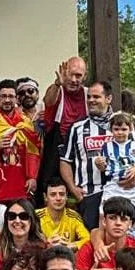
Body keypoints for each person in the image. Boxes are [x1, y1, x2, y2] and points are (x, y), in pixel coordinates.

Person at [59, 81, 115, 229]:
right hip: (89, 194)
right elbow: (65, 160)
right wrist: (73, 188)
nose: (91, 100)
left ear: (108, 99)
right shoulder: (77, 127)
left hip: (119, 191)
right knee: (91, 238)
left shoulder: (124, 124)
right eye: (89, 97)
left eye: (96, 97)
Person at [39, 57, 89, 185]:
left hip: (81, 153)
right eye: (70, 74)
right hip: (56, 151)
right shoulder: (57, 90)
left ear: (85, 76)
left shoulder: (89, 95)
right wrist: (57, 84)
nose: (73, 80)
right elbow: (49, 101)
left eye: (78, 76)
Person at [97, 113, 135, 221]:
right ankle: (102, 231)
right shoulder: (106, 147)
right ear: (111, 129)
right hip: (114, 185)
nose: (120, 132)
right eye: (116, 129)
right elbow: (103, 168)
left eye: (124, 129)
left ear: (130, 129)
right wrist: (98, 163)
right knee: (103, 214)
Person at [0, 199, 47, 270]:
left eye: (23, 216)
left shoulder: (43, 250)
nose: (17, 221)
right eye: (12, 216)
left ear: (31, 221)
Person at [37, 181, 88, 250]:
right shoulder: (36, 216)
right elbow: (26, 240)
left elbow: (87, 239)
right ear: (45, 197)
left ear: (66, 196)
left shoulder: (73, 216)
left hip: (66, 254)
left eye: (62, 194)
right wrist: (46, 244)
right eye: (53, 194)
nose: (58, 198)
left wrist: (70, 246)